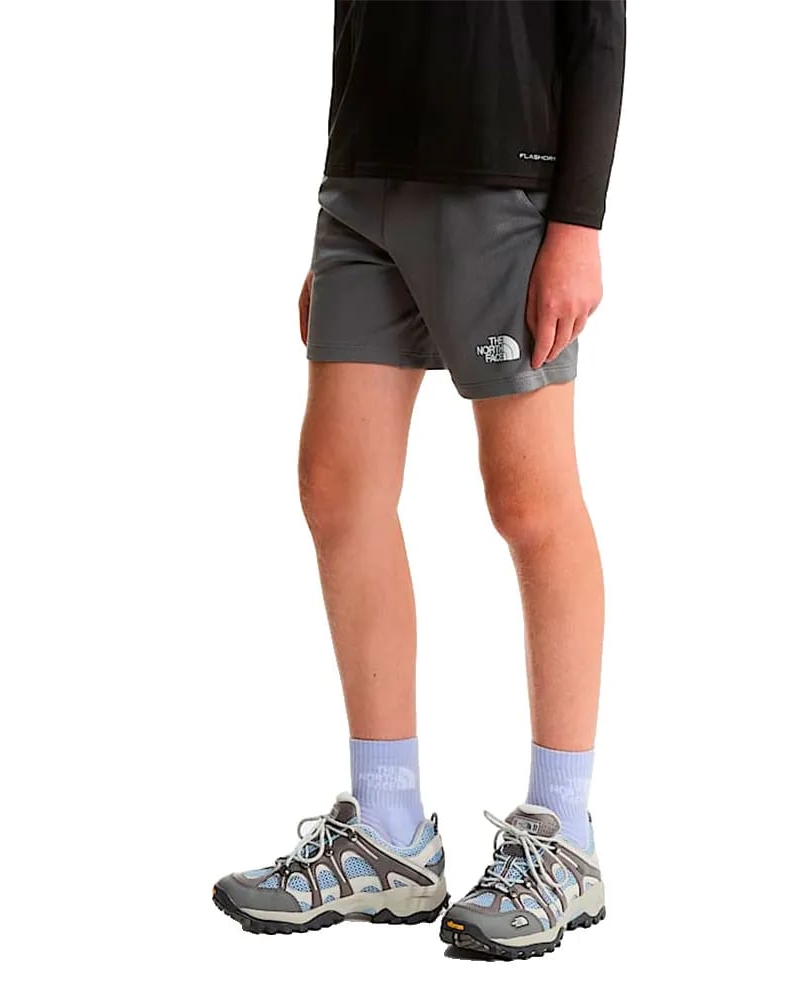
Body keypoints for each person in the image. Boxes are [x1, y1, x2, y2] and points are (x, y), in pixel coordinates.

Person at [213, 0, 626, 959]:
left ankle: (565, 834)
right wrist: (340, 193)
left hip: (504, 185)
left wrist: (578, 223)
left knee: (528, 501)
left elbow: (598, 27)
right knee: (336, 489)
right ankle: (389, 831)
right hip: (362, 191)